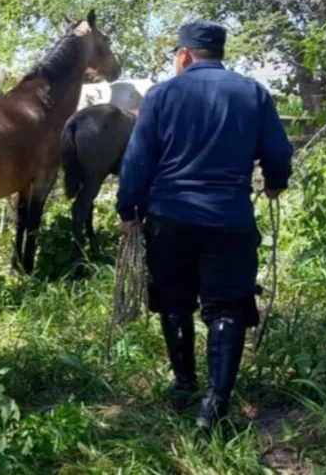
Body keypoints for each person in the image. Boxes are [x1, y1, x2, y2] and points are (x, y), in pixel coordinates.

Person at [115, 21, 293, 430]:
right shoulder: (252, 92)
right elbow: (278, 151)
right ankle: (215, 402)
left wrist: (129, 210)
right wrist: (276, 183)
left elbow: (137, 160)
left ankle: (182, 384)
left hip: (170, 218)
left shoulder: (160, 95)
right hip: (229, 218)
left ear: (184, 55)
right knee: (227, 305)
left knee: (174, 302)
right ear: (219, 52)